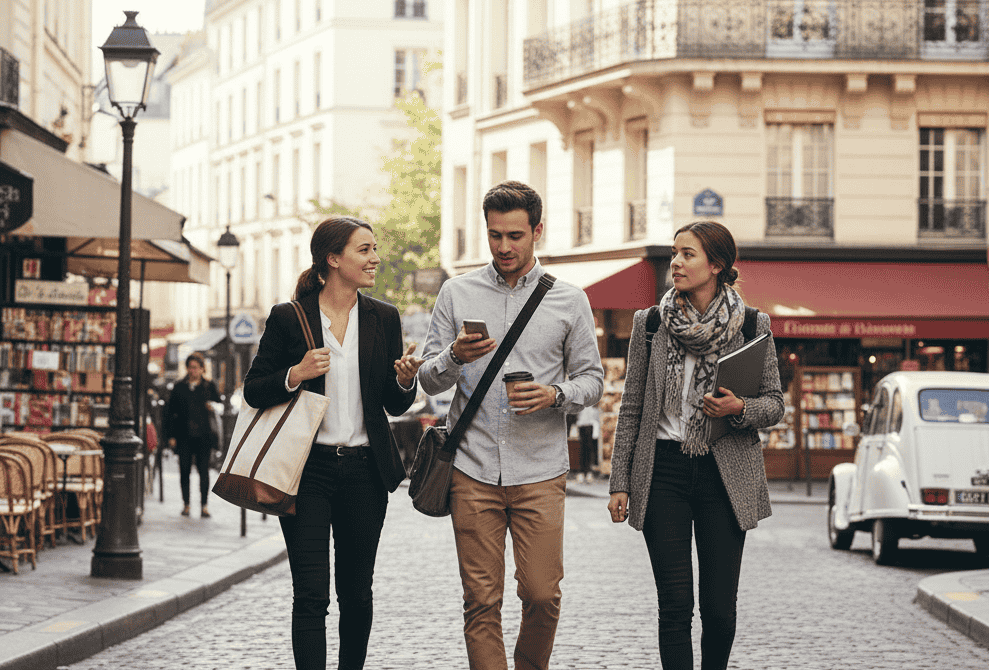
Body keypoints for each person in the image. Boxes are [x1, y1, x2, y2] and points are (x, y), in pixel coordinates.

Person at [417, 180, 604, 670]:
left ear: (537, 232)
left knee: (542, 594)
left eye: (515, 235)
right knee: (480, 600)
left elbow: (592, 380)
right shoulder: (457, 292)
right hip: (472, 468)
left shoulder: (569, 299)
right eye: (495, 235)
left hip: (540, 470)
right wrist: (455, 356)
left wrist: (555, 395)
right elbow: (428, 379)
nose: (503, 246)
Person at [243, 216, 422, 670]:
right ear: (333, 259)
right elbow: (254, 389)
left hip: (365, 472)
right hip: (307, 473)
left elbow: (393, 403)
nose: (375, 258)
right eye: (364, 250)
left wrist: (405, 381)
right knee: (310, 595)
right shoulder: (290, 317)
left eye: (374, 248)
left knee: (357, 593)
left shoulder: (383, 317)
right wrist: (295, 373)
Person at [607, 221, 783, 670]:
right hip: (663, 469)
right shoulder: (650, 323)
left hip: (724, 472)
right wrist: (619, 481)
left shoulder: (752, 324)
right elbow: (632, 406)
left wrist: (739, 408)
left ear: (716, 265)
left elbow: (775, 403)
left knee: (719, 609)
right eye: (674, 253)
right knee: (674, 605)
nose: (676, 263)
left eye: (688, 254)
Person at [163, 352, 220, 518]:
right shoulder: (179, 387)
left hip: (204, 436)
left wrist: (213, 406)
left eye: (195, 367)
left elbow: (219, 405)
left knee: (204, 471)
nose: (192, 370)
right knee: (184, 471)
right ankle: (186, 504)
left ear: (202, 369)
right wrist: (171, 436)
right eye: (190, 367)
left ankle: (204, 505)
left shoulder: (209, 386)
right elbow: (170, 412)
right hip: (184, 436)